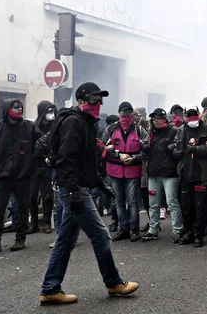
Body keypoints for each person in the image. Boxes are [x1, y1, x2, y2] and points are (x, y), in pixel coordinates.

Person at [39, 82, 138, 305]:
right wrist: (75, 192)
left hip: (74, 187)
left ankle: (50, 288)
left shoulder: (84, 122)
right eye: (94, 98)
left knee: (65, 239)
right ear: (82, 100)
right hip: (73, 189)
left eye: (100, 99)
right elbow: (67, 161)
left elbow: (85, 162)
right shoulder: (75, 122)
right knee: (101, 235)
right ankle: (113, 282)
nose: (98, 103)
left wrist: (100, 185)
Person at [0, 99, 36, 256]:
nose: (19, 109)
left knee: (22, 208)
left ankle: (20, 238)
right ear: (7, 109)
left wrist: (32, 163)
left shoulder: (30, 127)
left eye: (21, 107)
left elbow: (40, 144)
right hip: (2, 177)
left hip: (23, 176)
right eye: (15, 107)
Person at [173, 106, 207, 247]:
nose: (192, 116)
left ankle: (199, 235)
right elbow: (175, 146)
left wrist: (196, 149)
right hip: (186, 174)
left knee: (200, 207)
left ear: (198, 114)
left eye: (194, 114)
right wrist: (176, 152)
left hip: (201, 175)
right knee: (186, 207)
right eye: (189, 114)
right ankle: (189, 232)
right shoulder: (181, 130)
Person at [103, 101, 148, 242]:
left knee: (133, 201)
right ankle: (123, 229)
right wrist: (118, 155)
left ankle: (134, 229)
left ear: (132, 114)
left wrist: (134, 158)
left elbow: (147, 150)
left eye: (129, 112)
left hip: (133, 170)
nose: (126, 115)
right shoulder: (110, 129)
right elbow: (102, 148)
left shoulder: (140, 130)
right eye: (123, 113)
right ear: (119, 114)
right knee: (119, 201)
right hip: (115, 170)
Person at [142, 108, 183, 242]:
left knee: (172, 202)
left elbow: (179, 150)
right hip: (154, 173)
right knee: (153, 204)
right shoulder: (151, 132)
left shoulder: (174, 131)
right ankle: (153, 229)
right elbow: (148, 151)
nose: (156, 120)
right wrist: (144, 148)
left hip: (169, 174)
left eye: (159, 118)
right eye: (154, 118)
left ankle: (178, 230)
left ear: (165, 118)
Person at [29, 100, 57, 234]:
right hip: (35, 166)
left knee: (47, 196)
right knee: (32, 195)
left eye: (53, 111)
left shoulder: (55, 126)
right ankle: (33, 222)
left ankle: (46, 222)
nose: (51, 114)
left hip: (48, 166)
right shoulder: (34, 127)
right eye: (49, 111)